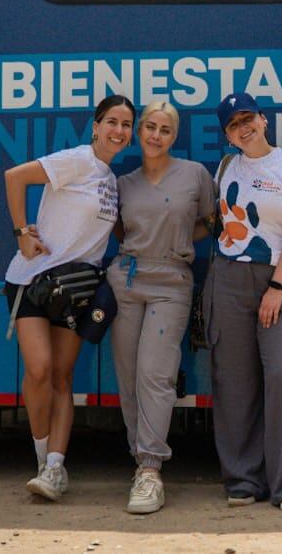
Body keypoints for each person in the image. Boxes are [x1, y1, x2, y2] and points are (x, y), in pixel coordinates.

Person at [2, 94, 134, 502]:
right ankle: (42, 458)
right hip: (32, 279)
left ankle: (55, 469)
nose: (119, 131)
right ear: (96, 126)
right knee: (39, 369)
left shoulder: (111, 181)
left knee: (61, 376)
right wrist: (21, 233)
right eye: (112, 122)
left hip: (77, 289)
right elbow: (14, 177)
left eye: (126, 125)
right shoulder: (77, 160)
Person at [207, 92, 282, 513]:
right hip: (229, 280)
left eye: (248, 118)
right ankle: (243, 480)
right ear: (227, 135)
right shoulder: (224, 168)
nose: (244, 128)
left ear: (263, 119)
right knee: (235, 383)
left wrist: (276, 285)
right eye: (234, 124)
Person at [109, 101, 217, 514]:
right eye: (150, 127)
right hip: (127, 279)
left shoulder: (194, 174)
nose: (156, 136)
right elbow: (119, 229)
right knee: (128, 376)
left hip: (172, 281)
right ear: (139, 132)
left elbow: (210, 221)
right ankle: (138, 460)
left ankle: (151, 470)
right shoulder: (124, 183)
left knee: (155, 374)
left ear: (174, 136)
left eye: (165, 130)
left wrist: (178, 238)